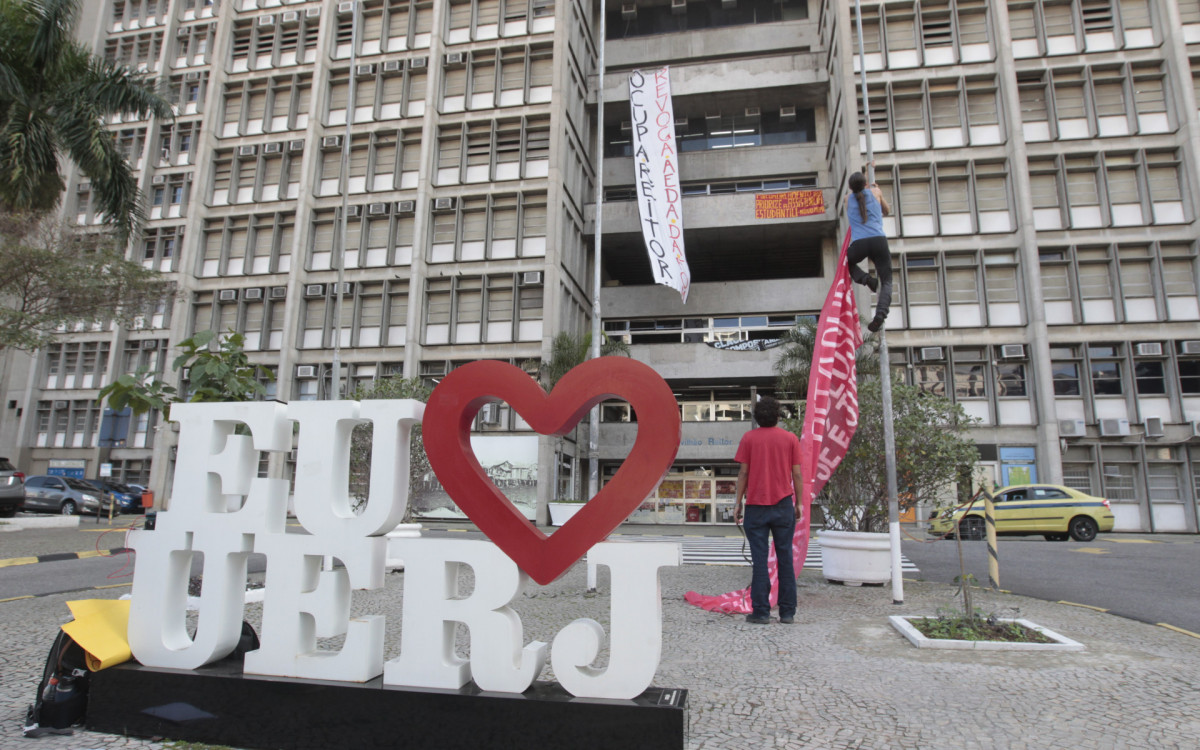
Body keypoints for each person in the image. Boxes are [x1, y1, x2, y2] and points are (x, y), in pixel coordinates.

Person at [732, 396, 802, 624]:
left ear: (757, 417)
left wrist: (738, 502)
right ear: (778, 416)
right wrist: (799, 503)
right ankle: (788, 612)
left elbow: (743, 473)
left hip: (756, 506)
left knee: (760, 560)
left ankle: (761, 612)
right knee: (785, 559)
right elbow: (797, 474)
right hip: (783, 506)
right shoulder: (790, 438)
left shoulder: (749, 438)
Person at [845, 168, 893, 333]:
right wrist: (876, 191)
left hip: (860, 244)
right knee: (886, 281)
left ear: (851, 188)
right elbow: (887, 211)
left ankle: (868, 280)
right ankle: (880, 314)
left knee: (846, 262)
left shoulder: (846, 199)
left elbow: (858, 199)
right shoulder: (876, 192)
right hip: (879, 241)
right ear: (865, 183)